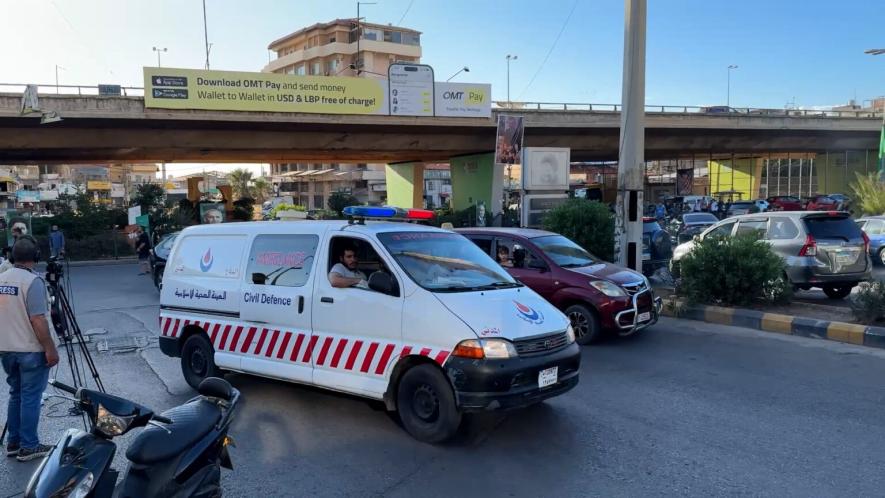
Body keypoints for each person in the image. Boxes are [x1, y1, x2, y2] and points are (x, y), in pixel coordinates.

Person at [0, 236, 60, 462]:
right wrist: (50, 349)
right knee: (31, 397)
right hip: (30, 350)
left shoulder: (1, 278)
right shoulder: (32, 282)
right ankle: (29, 446)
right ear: (35, 257)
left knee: (16, 395)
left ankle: (13, 443)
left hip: (6, 349)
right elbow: (38, 320)